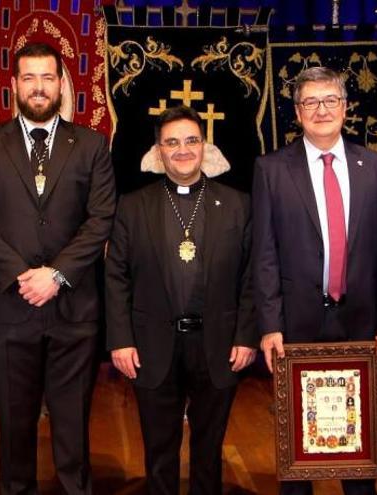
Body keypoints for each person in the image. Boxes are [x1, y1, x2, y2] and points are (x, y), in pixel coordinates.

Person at [0, 42, 116, 494]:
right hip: (9, 309)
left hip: (74, 311)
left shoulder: (91, 145)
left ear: (63, 84)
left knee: (73, 430)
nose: (39, 87)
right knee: (14, 427)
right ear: (14, 86)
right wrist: (20, 276)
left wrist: (57, 275)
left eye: (48, 77)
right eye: (29, 77)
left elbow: (100, 217)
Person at [252, 66, 377, 495]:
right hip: (296, 328)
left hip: (360, 326)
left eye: (330, 100)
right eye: (311, 102)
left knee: (359, 454)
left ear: (345, 107)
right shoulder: (271, 170)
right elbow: (264, 254)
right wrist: (269, 325)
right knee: (297, 455)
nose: (322, 110)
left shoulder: (376, 167)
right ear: (297, 113)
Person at [105, 105, 256, 494]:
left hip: (219, 345)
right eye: (172, 142)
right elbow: (116, 277)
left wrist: (246, 335)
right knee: (159, 451)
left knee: (209, 451)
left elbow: (251, 276)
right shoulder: (133, 206)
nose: (183, 150)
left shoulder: (237, 204)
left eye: (191, 140)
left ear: (204, 146)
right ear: (159, 151)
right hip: (153, 346)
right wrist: (120, 339)